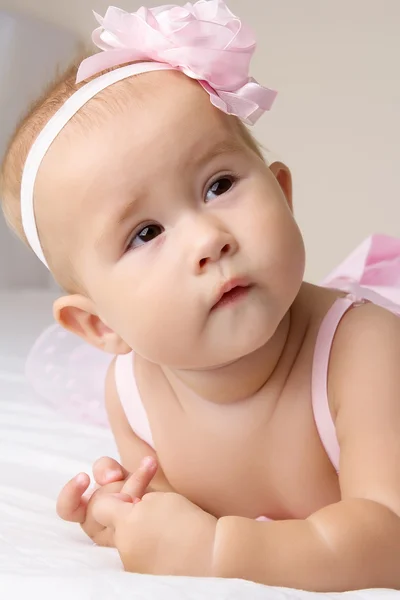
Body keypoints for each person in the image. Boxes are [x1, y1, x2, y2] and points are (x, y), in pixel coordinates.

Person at [1, 1, 400, 591]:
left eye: (219, 185)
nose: (208, 239)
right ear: (98, 327)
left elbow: (388, 536)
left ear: (283, 195)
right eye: (145, 233)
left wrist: (220, 551)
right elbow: (174, 512)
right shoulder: (132, 394)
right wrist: (127, 514)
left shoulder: (362, 350)